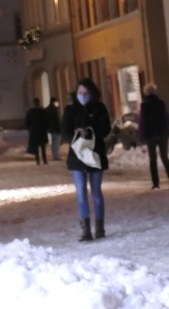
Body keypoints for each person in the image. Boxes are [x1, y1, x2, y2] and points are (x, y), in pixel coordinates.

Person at [61, 78, 111, 241]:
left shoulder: (99, 108)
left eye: (85, 93)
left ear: (92, 93)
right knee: (81, 193)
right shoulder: (70, 110)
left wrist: (89, 132)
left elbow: (105, 129)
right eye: (80, 93)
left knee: (96, 192)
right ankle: (86, 231)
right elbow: (65, 131)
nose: (82, 96)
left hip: (95, 155)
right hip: (77, 156)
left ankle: (100, 228)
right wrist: (76, 136)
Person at [138, 83, 169, 190]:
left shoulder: (144, 105)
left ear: (145, 92)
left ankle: (156, 183)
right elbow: (167, 117)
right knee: (165, 158)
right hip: (162, 133)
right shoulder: (161, 103)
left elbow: (142, 121)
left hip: (150, 135)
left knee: (153, 159)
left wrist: (141, 135)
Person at [25, 97, 49, 164]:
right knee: (42, 146)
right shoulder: (42, 111)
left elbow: (27, 121)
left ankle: (37, 160)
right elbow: (46, 120)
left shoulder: (30, 111)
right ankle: (44, 159)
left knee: (35, 146)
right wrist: (46, 127)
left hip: (34, 130)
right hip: (42, 130)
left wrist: (30, 128)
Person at [45, 96, 62, 160]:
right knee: (56, 143)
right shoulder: (55, 109)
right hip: (56, 128)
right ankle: (55, 155)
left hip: (50, 128)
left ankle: (54, 155)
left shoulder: (46, 109)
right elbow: (57, 120)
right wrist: (60, 128)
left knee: (53, 142)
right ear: (54, 102)